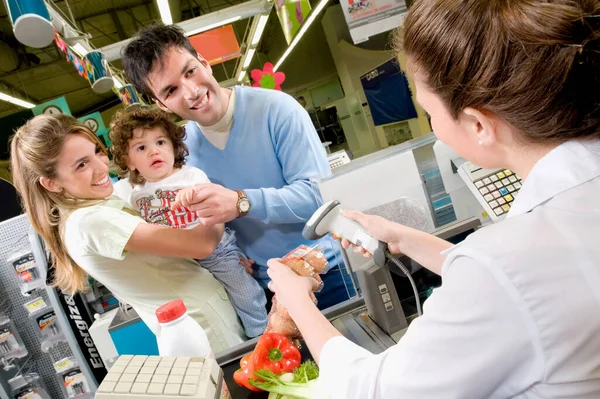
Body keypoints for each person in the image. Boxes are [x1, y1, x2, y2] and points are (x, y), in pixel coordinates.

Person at [267, 0, 600, 397]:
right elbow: (533, 284)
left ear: (478, 124)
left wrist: (298, 302)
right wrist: (408, 240)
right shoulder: (562, 215)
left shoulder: (503, 266)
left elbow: (374, 390)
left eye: (429, 113)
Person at [121, 23, 354, 310]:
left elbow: (319, 199)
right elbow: (208, 224)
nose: (192, 92)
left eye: (190, 71)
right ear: (161, 104)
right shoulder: (183, 155)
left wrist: (241, 202)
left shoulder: (277, 110)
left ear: (205, 63)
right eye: (171, 90)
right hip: (266, 291)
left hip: (327, 276)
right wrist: (231, 253)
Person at [10, 114, 246, 353]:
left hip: (203, 317)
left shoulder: (97, 203)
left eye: (97, 152)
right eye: (82, 164)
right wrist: (216, 200)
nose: (102, 167)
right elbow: (202, 243)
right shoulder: (91, 221)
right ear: (51, 183)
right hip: (202, 328)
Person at [109, 106, 267, 338]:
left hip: (216, 253)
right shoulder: (135, 194)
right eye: (142, 148)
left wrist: (193, 194)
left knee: (242, 290)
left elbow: (212, 202)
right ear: (129, 161)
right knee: (216, 302)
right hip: (180, 261)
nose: (154, 152)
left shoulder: (190, 176)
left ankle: (261, 331)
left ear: (173, 146)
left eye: (161, 142)